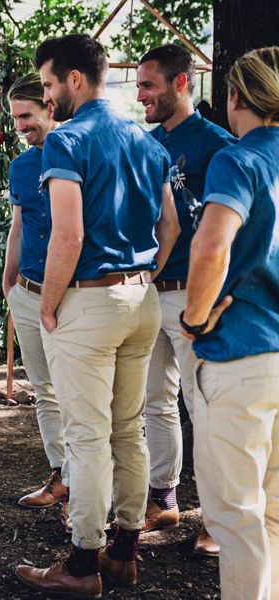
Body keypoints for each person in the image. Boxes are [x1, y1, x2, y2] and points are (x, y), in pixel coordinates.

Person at [15, 34, 179, 597]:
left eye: (49, 83)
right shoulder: (145, 137)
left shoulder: (65, 141)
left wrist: (47, 302)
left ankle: (82, 565)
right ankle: (124, 554)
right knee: (127, 430)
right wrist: (141, 280)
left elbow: (68, 234)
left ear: (75, 80)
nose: (47, 93)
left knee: (86, 437)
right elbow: (171, 228)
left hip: (88, 299)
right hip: (141, 301)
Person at [182, 46, 279, 600]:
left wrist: (195, 317)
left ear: (234, 97)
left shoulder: (239, 159)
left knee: (237, 520)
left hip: (243, 354)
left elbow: (211, 245)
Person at [136, 44, 235, 555]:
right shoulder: (145, 143)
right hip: (148, 292)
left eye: (149, 85)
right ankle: (164, 497)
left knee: (204, 404)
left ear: (181, 82)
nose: (140, 95)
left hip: (195, 296)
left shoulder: (219, 145)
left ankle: (217, 519)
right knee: (155, 402)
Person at [2, 74, 68, 514]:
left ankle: (90, 485)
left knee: (77, 394)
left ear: (49, 106)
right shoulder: (22, 165)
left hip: (71, 296)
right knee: (44, 390)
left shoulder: (78, 154)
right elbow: (19, 226)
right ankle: (61, 474)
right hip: (26, 291)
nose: (21, 126)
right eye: (15, 119)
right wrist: (9, 286)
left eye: (26, 115)